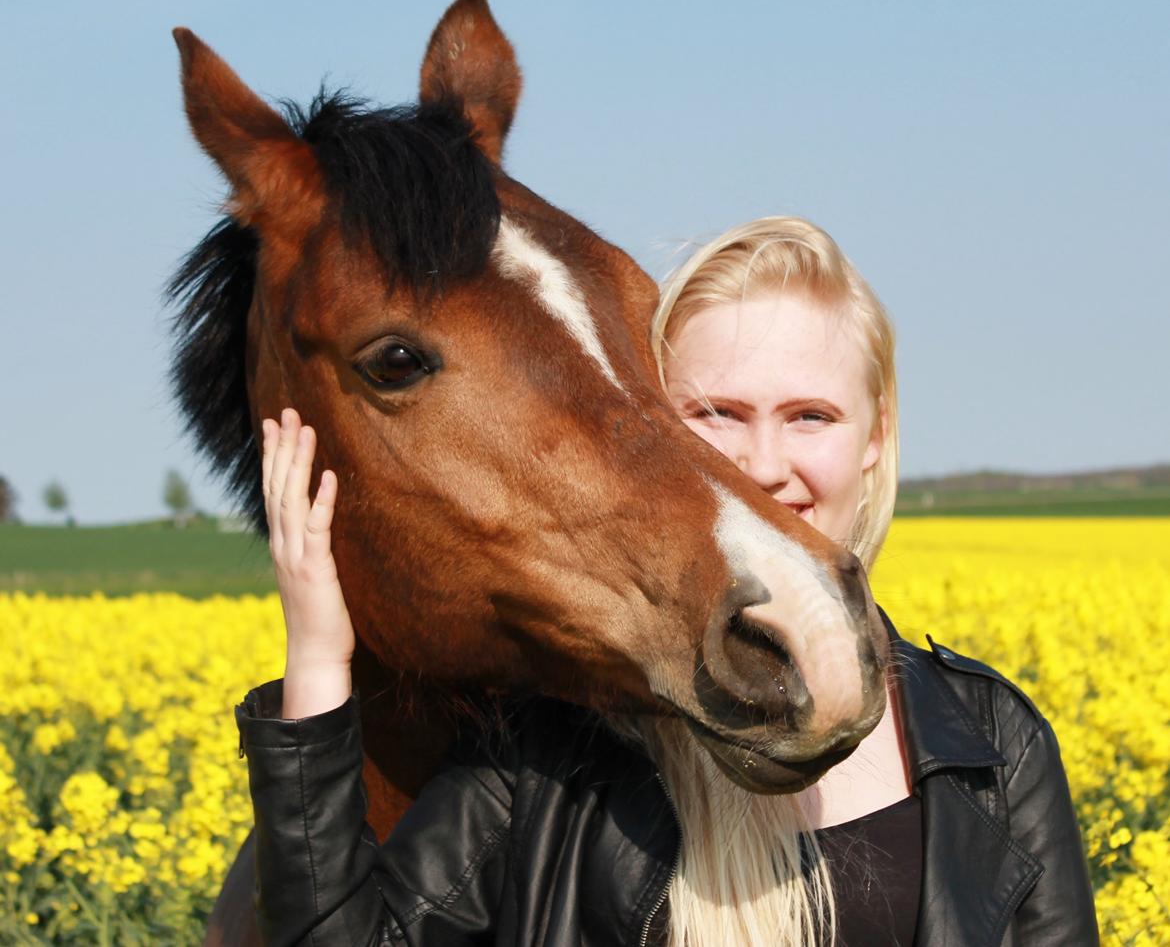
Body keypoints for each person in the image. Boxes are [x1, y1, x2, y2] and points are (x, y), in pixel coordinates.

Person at [237, 216, 1098, 946]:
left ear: (874, 438)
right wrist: (317, 659)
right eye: (714, 414)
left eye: (811, 416)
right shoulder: (550, 755)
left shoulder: (990, 746)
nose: (764, 466)